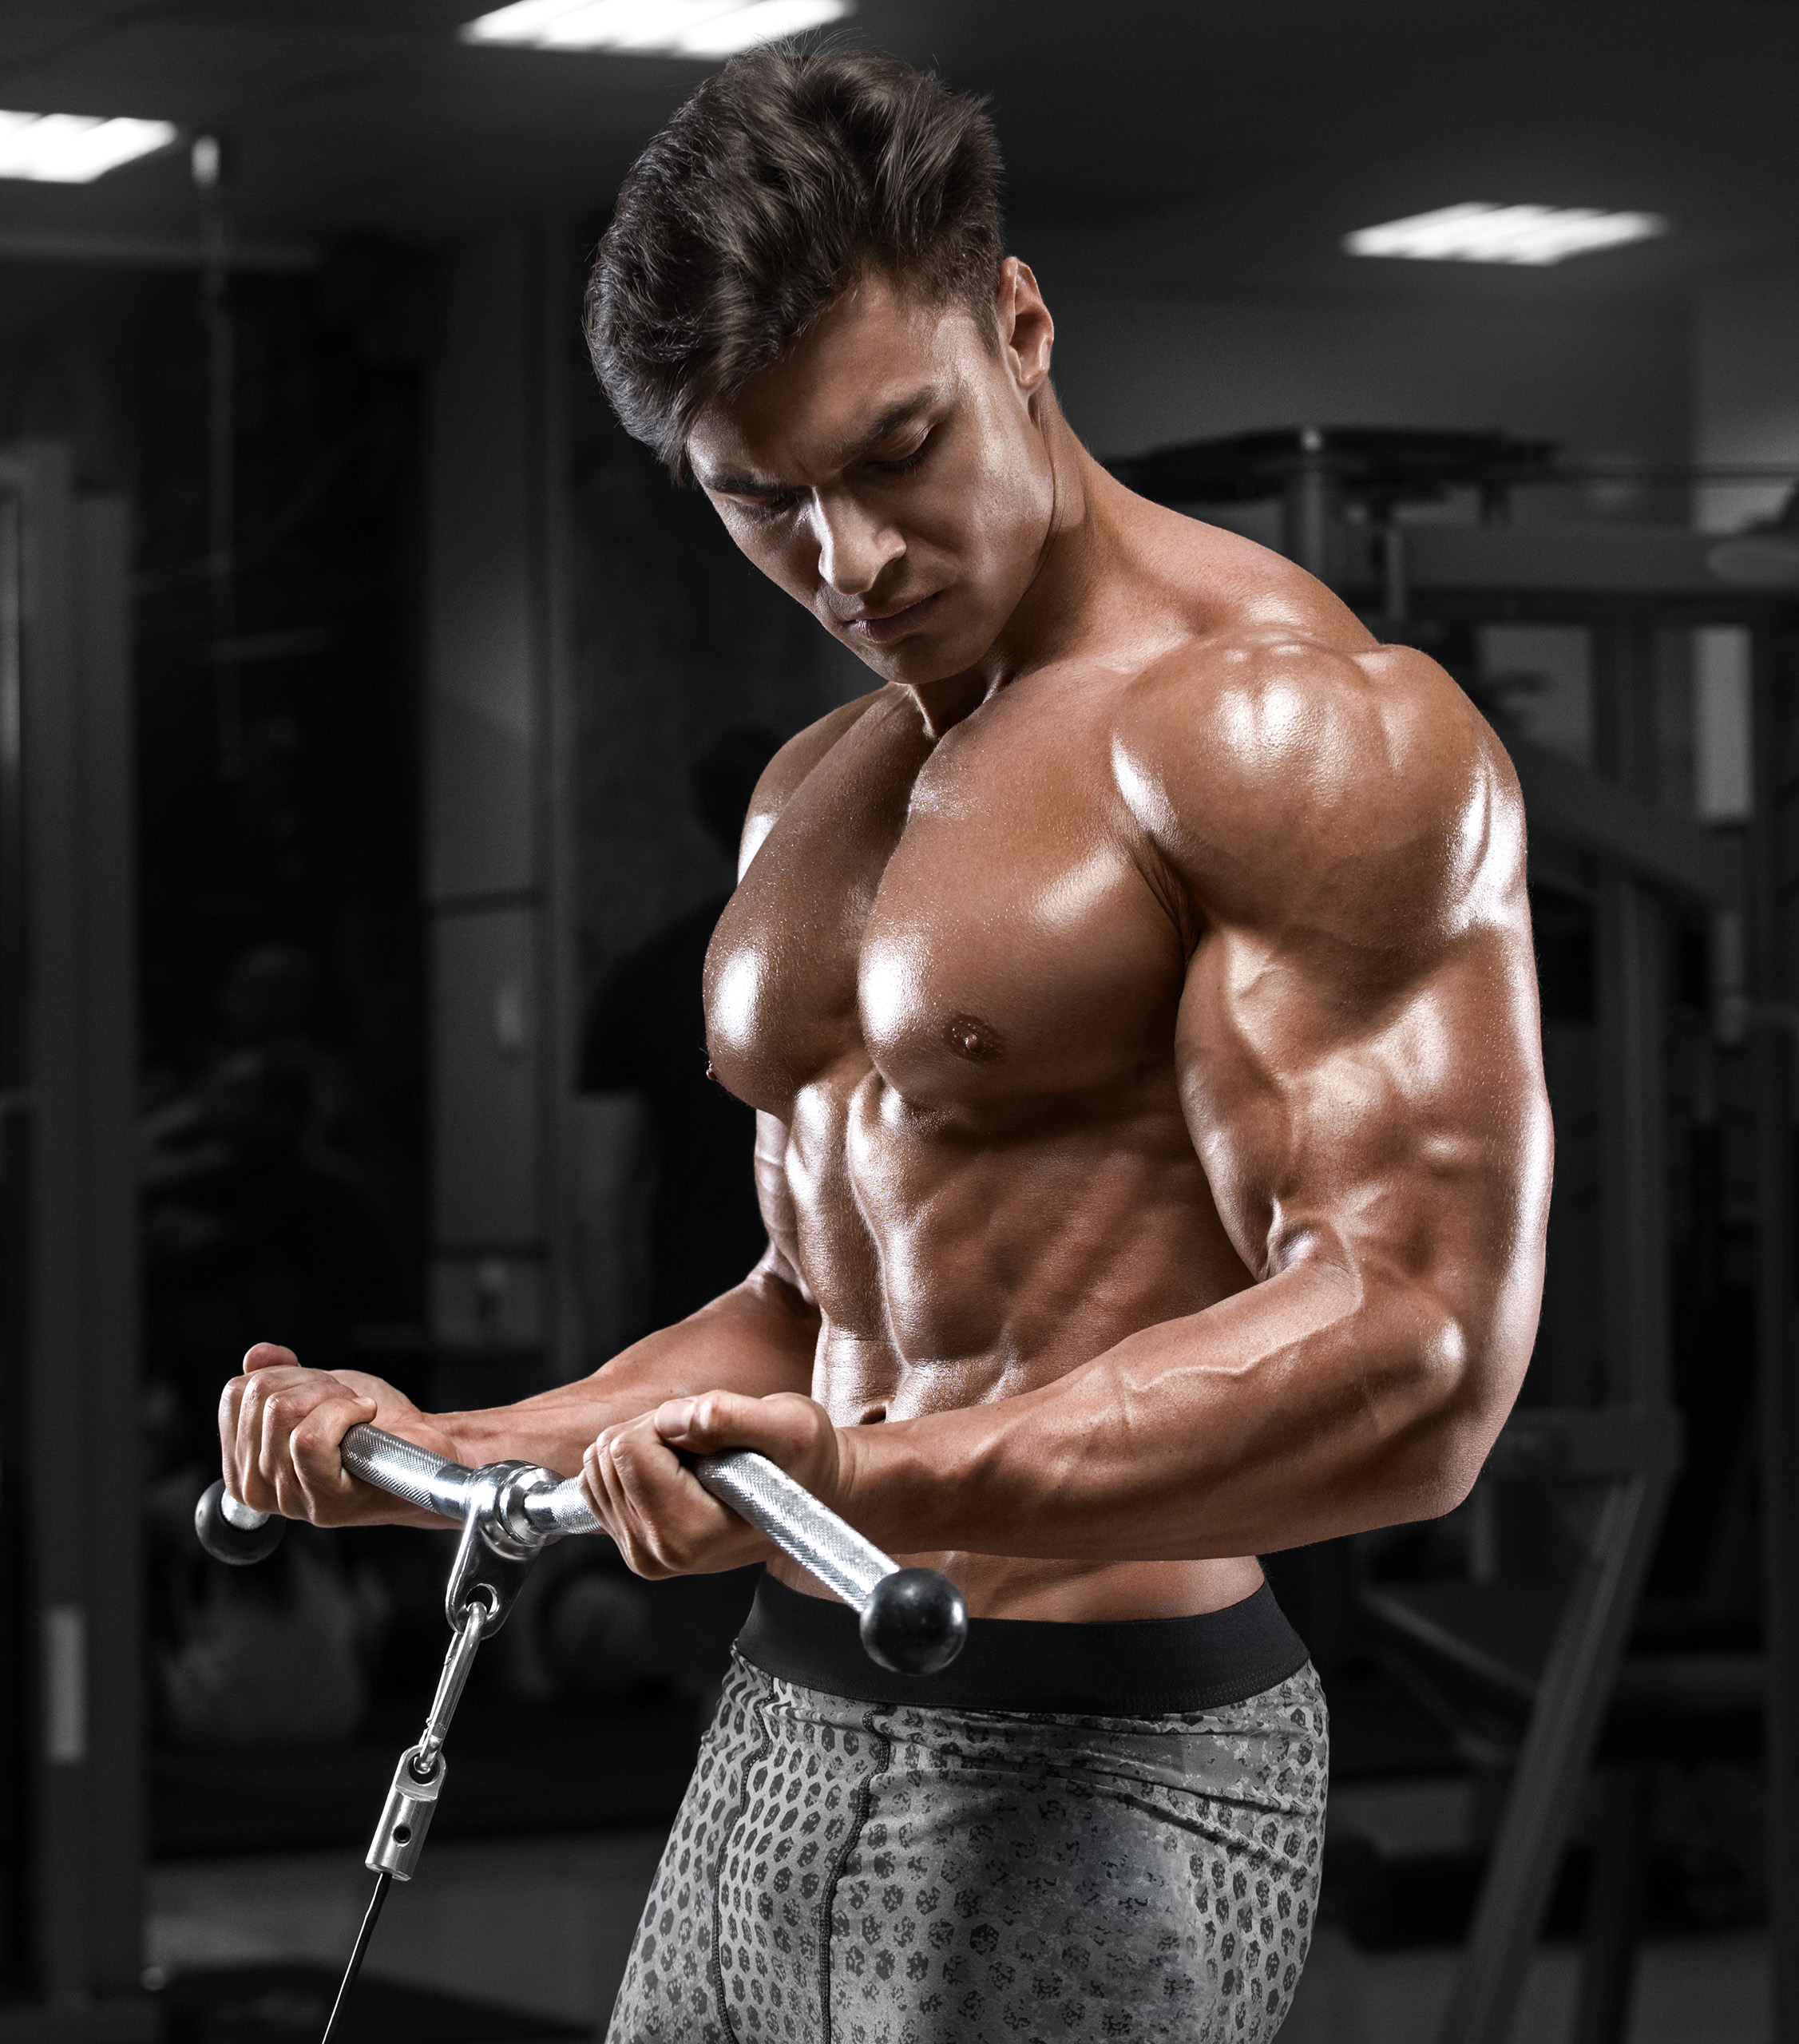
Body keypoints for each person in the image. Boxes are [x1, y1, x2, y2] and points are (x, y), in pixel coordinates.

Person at [219, 47, 1551, 2042]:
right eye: (762, 501)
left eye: (895, 448)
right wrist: (459, 1454)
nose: (848, 561)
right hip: (786, 1709)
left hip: (1103, 1768)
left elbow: (1407, 1347)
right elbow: (808, 1310)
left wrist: (870, 1478)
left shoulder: (1284, 729)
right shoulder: (811, 793)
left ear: (1016, 326)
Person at [581, 726, 784, 1330]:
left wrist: (610, 1373)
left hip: (695, 1320)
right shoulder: (864, 961)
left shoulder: (642, 979)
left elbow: (597, 1205)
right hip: (836, 1327)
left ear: (703, 829)